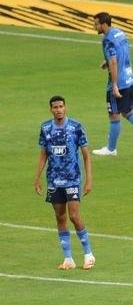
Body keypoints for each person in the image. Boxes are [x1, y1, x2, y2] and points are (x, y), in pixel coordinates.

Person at [34, 96, 95, 271]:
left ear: (66, 107)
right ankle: (68, 258)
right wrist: (37, 177)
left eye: (61, 106)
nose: (59, 109)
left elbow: (86, 155)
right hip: (54, 180)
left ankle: (88, 254)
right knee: (60, 217)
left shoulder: (76, 127)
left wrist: (89, 179)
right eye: (55, 107)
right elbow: (43, 154)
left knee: (74, 216)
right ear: (51, 110)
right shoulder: (46, 128)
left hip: (73, 179)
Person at [91, 12, 133, 157]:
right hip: (128, 78)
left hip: (118, 82)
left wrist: (114, 84)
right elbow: (123, 52)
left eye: (96, 24)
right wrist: (107, 62)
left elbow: (114, 61)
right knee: (128, 112)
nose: (94, 26)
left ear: (104, 24)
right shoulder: (120, 33)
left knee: (114, 116)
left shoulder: (107, 40)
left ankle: (111, 149)